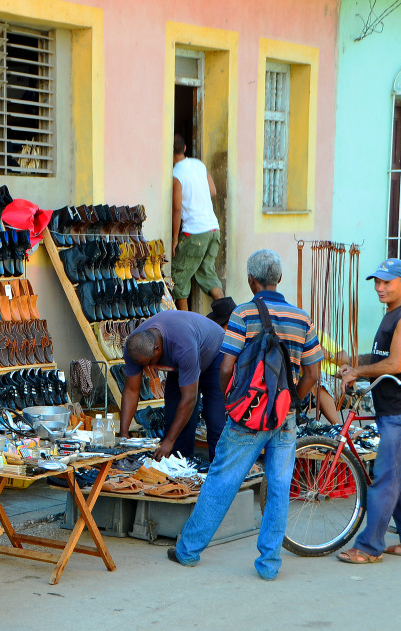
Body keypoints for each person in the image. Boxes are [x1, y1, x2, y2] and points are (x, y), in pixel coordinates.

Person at [169, 249, 321, 580]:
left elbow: (225, 367)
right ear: (279, 278)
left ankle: (188, 550)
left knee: (222, 479)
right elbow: (312, 376)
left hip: (247, 415)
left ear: (251, 280)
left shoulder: (243, 314)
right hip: (284, 418)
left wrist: (232, 402)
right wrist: (292, 402)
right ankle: (269, 565)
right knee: (280, 486)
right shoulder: (302, 318)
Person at [336, 258, 401, 563]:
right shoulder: (392, 314)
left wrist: (358, 372)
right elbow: (381, 356)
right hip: (393, 410)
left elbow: (395, 364)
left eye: (387, 282)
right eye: (377, 282)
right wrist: (350, 361)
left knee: (385, 480)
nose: (380, 288)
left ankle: (368, 548)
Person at [117, 310, 226, 461]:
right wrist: (124, 433)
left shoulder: (182, 346)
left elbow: (190, 399)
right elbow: (131, 390)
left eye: (149, 363)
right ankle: (182, 469)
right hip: (181, 364)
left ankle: (219, 475)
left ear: (157, 349)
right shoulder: (135, 347)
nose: (147, 369)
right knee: (174, 418)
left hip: (214, 354)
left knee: (214, 419)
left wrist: (168, 441)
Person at [171, 133, 225, 311]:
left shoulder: (176, 174)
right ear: (185, 148)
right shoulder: (198, 164)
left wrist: (174, 239)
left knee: (178, 279)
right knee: (208, 276)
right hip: (213, 229)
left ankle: (184, 325)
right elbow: (213, 191)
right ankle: (228, 318)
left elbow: (177, 209)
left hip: (194, 233)